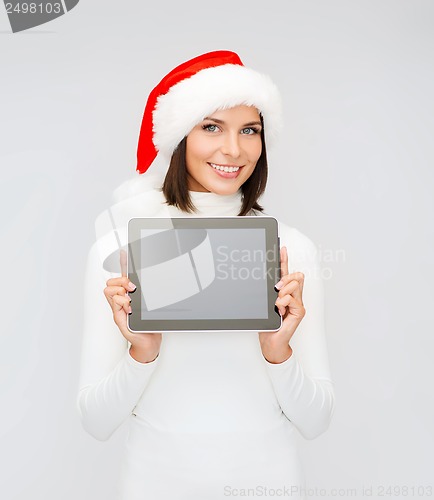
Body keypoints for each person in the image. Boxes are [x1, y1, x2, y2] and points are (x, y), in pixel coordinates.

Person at [77, 50, 335, 500]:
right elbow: (96, 422)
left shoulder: (292, 252)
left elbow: (316, 421)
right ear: (179, 137)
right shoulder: (118, 250)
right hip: (153, 485)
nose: (233, 149)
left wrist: (279, 350)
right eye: (211, 127)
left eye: (249, 130)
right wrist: (142, 350)